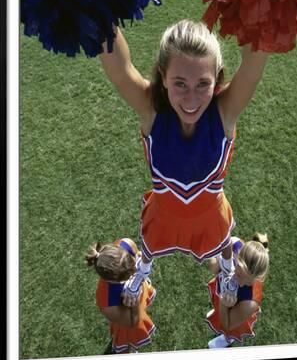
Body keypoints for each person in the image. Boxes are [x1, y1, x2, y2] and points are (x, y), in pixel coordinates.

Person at [100, 20, 268, 304]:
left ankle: (226, 270)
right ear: (163, 77)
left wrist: (262, 8)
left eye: (203, 83)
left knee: (223, 242)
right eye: (180, 83)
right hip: (164, 213)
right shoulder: (152, 111)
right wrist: (97, 10)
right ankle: (142, 272)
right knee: (150, 247)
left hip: (210, 215)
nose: (191, 98)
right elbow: (120, 71)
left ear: (216, 78)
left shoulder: (224, 113)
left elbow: (252, 69)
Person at [85, 238, 156, 354]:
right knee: (128, 341)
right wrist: (135, 302)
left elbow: (138, 254)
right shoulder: (107, 302)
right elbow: (133, 322)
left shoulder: (126, 243)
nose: (134, 272)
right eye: (129, 275)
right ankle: (131, 348)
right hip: (129, 317)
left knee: (144, 307)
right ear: (112, 280)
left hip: (137, 298)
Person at [206, 233, 269, 348]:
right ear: (237, 256)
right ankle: (217, 311)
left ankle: (226, 340)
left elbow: (228, 324)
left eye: (247, 281)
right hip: (224, 296)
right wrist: (218, 260)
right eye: (239, 273)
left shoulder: (251, 302)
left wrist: (224, 305)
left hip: (236, 313)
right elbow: (213, 268)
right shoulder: (233, 245)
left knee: (231, 331)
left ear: (257, 279)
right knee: (218, 312)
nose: (239, 282)